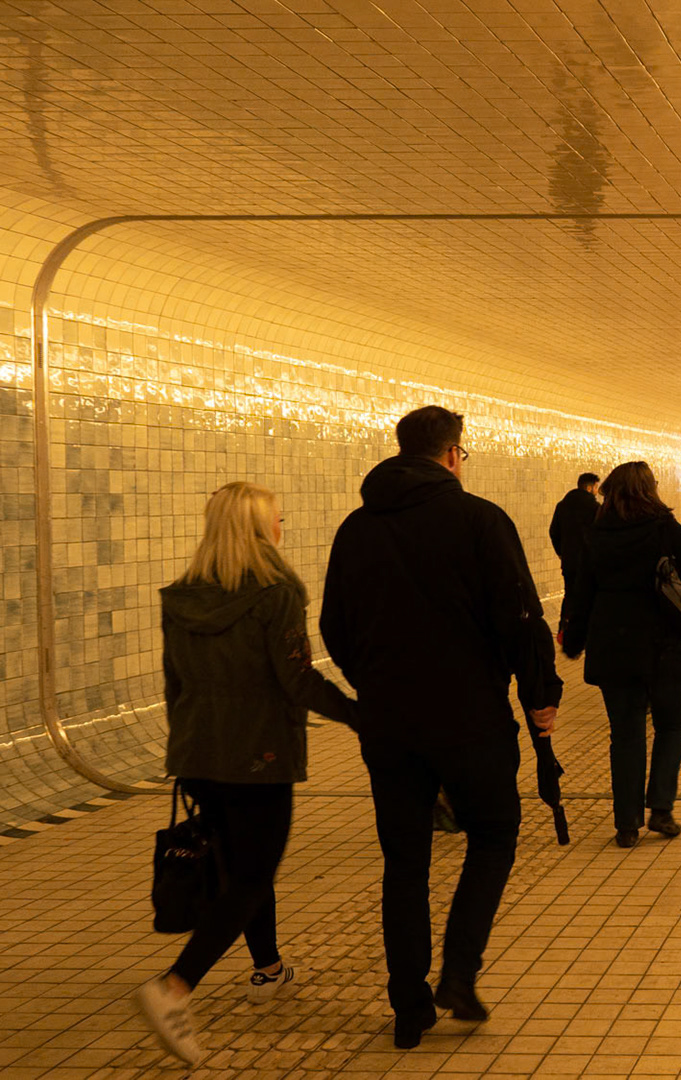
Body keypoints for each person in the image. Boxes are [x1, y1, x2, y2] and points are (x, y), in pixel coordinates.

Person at [320, 406, 563, 1048]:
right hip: (470, 718)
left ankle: (408, 1007)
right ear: (454, 454)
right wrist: (541, 693)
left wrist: (374, 681)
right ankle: (458, 972)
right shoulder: (479, 520)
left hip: (389, 725)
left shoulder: (357, 528)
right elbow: (518, 616)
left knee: (404, 862)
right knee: (493, 835)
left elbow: (334, 629)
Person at [135, 482, 359, 1067]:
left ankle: (268, 967)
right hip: (258, 757)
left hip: (199, 753)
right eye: (278, 519)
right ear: (261, 530)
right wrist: (364, 717)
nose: (283, 526)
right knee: (254, 875)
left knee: (242, 867)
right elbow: (298, 680)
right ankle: (175, 987)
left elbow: (174, 683)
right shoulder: (277, 592)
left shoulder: (180, 596)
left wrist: (186, 748)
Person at [561, 461, 681, 845]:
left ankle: (626, 825)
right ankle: (660, 808)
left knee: (625, 735)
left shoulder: (595, 533)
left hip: (614, 648)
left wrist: (574, 641)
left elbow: (581, 593)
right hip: (663, 647)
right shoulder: (665, 529)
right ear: (649, 490)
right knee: (671, 726)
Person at [549, 473, 600, 635]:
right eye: (596, 487)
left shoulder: (562, 505)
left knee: (570, 595)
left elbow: (553, 532)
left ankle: (564, 630)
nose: (597, 491)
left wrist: (562, 552)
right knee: (590, 596)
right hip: (590, 563)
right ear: (589, 487)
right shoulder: (595, 508)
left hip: (569, 561)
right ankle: (586, 632)